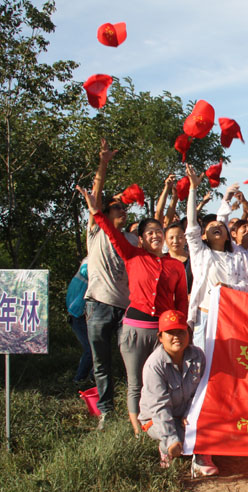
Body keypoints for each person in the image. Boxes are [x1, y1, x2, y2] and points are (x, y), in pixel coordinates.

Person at [81, 145, 189, 436]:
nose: (155, 235)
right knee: (134, 381)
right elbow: (111, 231)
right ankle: (137, 430)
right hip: (130, 325)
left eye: (159, 232)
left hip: (160, 330)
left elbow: (181, 300)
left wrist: (181, 326)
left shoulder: (175, 266)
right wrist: (96, 210)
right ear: (141, 238)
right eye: (149, 232)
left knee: (159, 378)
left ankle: (159, 423)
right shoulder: (131, 253)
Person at [80, 140, 137, 429]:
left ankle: (135, 411)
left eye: (124, 209)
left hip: (127, 309)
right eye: (116, 209)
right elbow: (97, 192)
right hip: (98, 305)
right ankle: (105, 411)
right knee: (101, 363)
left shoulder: (132, 239)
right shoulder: (96, 232)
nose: (122, 212)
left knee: (131, 362)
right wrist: (103, 164)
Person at [138, 309, 215, 478]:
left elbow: (200, 392)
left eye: (181, 332)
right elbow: (159, 407)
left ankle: (201, 458)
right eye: (170, 333)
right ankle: (166, 448)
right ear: (160, 337)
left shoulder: (197, 355)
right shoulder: (154, 366)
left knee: (213, 423)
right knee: (179, 439)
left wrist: (190, 414)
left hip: (185, 413)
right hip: (157, 418)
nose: (176, 337)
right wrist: (171, 438)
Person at [184, 165, 248, 353]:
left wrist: (229, 288)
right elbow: (191, 223)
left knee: (227, 362)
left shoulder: (235, 257)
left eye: (220, 226)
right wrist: (192, 188)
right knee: (203, 362)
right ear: (204, 235)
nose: (217, 226)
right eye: (211, 226)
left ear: (228, 235)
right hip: (205, 316)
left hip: (229, 317)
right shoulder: (200, 254)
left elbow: (245, 286)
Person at [66, 257, 92, 387]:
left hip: (83, 314)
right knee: (91, 349)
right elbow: (85, 271)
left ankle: (92, 378)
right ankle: (79, 379)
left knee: (96, 348)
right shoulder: (88, 261)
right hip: (77, 314)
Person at [165, 220, 192, 291]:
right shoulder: (161, 261)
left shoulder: (193, 260)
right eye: (171, 238)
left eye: (180, 237)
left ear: (185, 239)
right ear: (165, 240)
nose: (175, 241)